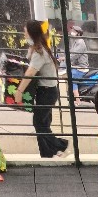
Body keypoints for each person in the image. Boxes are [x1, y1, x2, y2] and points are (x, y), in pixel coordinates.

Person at [12, 20, 67, 159]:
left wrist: (19, 91)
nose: (24, 35)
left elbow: (30, 72)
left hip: (46, 92)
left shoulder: (39, 52)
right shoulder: (38, 48)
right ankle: (47, 154)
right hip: (46, 91)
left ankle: (61, 145)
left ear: (31, 33)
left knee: (39, 123)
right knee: (43, 123)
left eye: (25, 32)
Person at [66, 24, 89, 103]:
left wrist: (65, 59)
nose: (71, 32)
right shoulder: (75, 41)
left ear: (78, 33)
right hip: (75, 66)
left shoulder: (80, 42)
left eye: (73, 31)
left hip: (81, 67)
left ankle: (77, 100)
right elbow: (71, 53)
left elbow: (75, 55)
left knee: (72, 80)